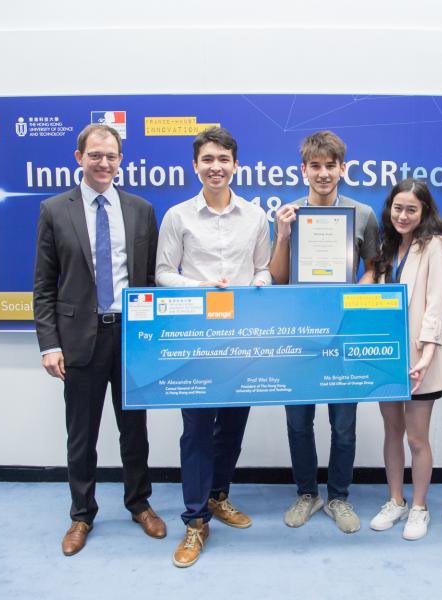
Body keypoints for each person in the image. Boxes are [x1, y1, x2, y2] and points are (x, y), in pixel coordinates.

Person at [33, 123, 165, 557]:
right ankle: (81, 514)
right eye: (95, 155)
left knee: (134, 430)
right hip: (79, 340)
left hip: (130, 337)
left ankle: (139, 503)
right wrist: (50, 344)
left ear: (120, 160)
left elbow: (149, 280)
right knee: (81, 433)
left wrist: (153, 339)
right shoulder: (55, 210)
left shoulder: (141, 209)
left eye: (111, 156)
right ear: (79, 158)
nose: (103, 163)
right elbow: (44, 286)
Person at [156, 126, 271, 567]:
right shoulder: (178, 217)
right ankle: (195, 519)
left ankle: (219, 496)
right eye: (208, 160)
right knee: (198, 429)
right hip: (196, 338)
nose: (216, 167)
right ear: (195, 165)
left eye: (223, 159)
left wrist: (253, 285)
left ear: (235, 165)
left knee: (233, 426)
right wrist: (201, 287)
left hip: (241, 337)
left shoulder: (255, 217)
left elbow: (263, 269)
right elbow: (164, 273)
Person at [270, 131, 379, 533]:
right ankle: (305, 493)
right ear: (304, 170)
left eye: (330, 166)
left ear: (342, 169)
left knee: (343, 423)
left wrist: (357, 292)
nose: (323, 173)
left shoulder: (363, 214)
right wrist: (282, 236)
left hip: (342, 333)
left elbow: (374, 267)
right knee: (298, 421)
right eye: (315, 166)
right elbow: (278, 278)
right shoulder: (287, 214)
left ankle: (339, 497)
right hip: (297, 332)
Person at [362, 178, 442, 541]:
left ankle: (419, 506)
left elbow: (435, 302)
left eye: (411, 209)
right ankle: (395, 500)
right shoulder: (386, 246)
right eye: (397, 208)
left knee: (417, 438)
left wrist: (428, 352)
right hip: (388, 356)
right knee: (392, 432)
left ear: (424, 211)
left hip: (420, 358)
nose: (403, 215)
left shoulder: (437, 246)